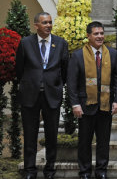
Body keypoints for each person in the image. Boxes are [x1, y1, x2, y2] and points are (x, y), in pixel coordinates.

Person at [15, 12, 69, 179]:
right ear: (36, 25)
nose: (48, 25)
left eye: (50, 22)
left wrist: (57, 85)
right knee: (30, 134)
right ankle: (30, 170)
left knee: (51, 135)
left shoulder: (60, 43)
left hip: (52, 95)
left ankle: (49, 170)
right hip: (30, 95)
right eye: (44, 23)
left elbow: (65, 69)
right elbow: (19, 69)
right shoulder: (25, 43)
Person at [67, 21, 117, 179]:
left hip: (106, 105)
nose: (100, 36)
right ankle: (84, 171)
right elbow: (71, 83)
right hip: (85, 106)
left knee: (103, 141)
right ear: (88, 36)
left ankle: (101, 170)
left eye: (101, 33)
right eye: (96, 34)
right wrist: (75, 104)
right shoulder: (78, 55)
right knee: (84, 141)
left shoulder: (112, 54)